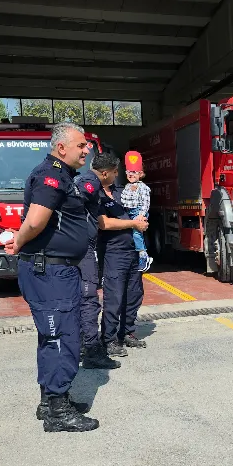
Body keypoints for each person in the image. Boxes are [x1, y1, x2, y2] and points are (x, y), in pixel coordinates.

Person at [4, 122, 98, 433]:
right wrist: (18, 241)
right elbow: (35, 221)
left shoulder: (64, 176)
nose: (87, 150)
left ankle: (51, 400)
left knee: (51, 336)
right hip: (51, 272)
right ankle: (58, 410)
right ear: (61, 148)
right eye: (81, 145)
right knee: (63, 337)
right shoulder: (51, 176)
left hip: (55, 270)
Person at [99, 153, 150, 358]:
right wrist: (133, 224)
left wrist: (142, 223)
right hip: (114, 252)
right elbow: (103, 223)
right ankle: (109, 339)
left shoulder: (124, 192)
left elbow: (142, 212)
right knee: (114, 297)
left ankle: (127, 332)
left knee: (134, 293)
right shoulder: (101, 197)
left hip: (133, 251)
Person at [75, 152, 121, 369]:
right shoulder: (89, 184)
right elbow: (71, 203)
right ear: (105, 173)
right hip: (84, 248)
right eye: (114, 173)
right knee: (89, 299)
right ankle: (92, 350)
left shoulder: (86, 181)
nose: (116, 176)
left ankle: (84, 345)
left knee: (84, 299)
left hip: (81, 246)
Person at [120, 151, 153, 272]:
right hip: (128, 213)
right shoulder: (127, 186)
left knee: (136, 234)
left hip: (137, 212)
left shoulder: (143, 187)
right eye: (128, 172)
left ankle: (143, 256)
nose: (131, 174)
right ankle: (135, 256)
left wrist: (141, 215)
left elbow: (145, 202)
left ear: (140, 174)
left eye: (134, 172)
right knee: (129, 236)